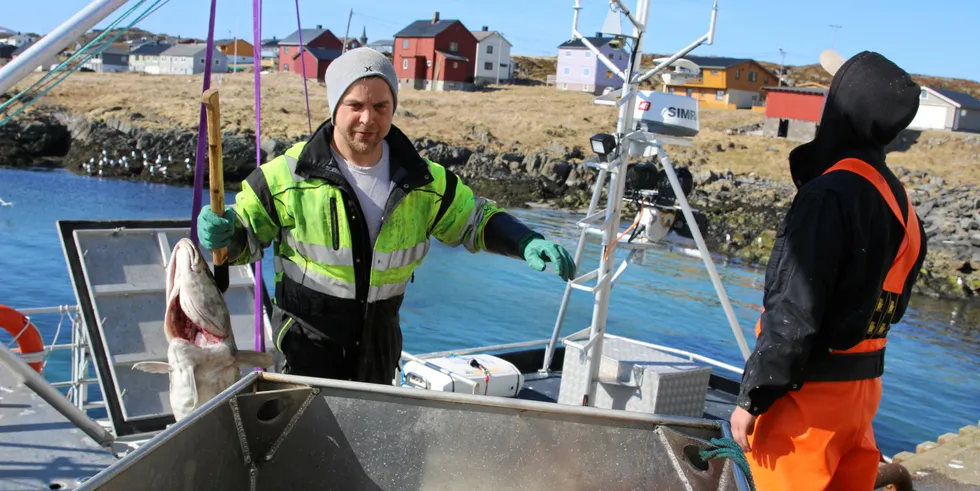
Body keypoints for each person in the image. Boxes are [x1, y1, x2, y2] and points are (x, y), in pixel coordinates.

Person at [195, 48, 575, 384]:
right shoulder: (285, 177)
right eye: (355, 106)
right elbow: (244, 237)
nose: (368, 119)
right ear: (334, 109)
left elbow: (473, 220)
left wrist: (525, 241)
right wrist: (225, 234)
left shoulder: (423, 180)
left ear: (393, 108)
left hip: (379, 349)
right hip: (305, 351)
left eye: (381, 107)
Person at [729, 50, 928, 490]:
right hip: (861, 398)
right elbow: (889, 309)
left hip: (809, 406)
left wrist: (753, 398)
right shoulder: (900, 203)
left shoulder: (829, 193)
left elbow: (794, 312)